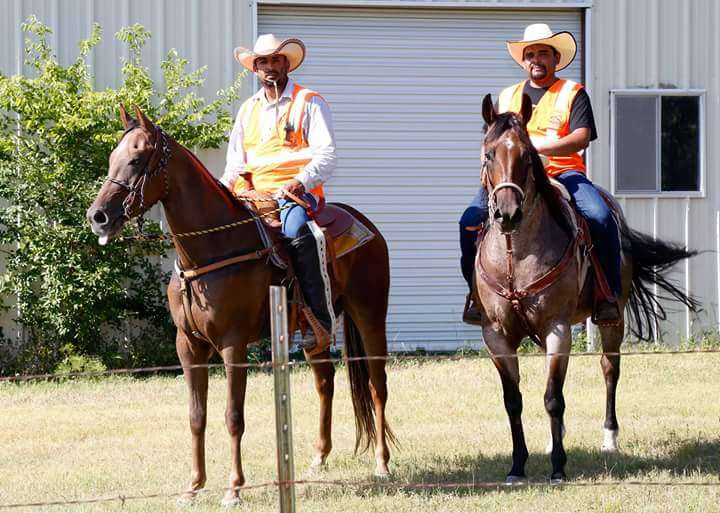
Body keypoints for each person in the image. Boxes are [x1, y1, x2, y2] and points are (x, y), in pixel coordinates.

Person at [459, 23, 621, 325]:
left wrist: (539, 148)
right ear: (523, 61)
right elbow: (490, 139)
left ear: (556, 59)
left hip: (564, 173)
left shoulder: (573, 93)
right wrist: (486, 162)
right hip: (512, 178)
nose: (536, 59)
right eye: (530, 54)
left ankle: (607, 294)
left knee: (600, 216)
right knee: (468, 221)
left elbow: (581, 137)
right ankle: (475, 297)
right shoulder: (507, 96)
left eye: (543, 53)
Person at [221, 34, 337, 349]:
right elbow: (235, 164)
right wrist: (222, 190)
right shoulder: (247, 110)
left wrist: (299, 181)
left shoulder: (309, 101)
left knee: (297, 232)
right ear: (255, 69)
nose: (270, 67)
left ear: (286, 63)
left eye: (275, 60)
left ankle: (319, 320)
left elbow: (326, 155)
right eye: (263, 62)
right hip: (254, 195)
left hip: (296, 193)